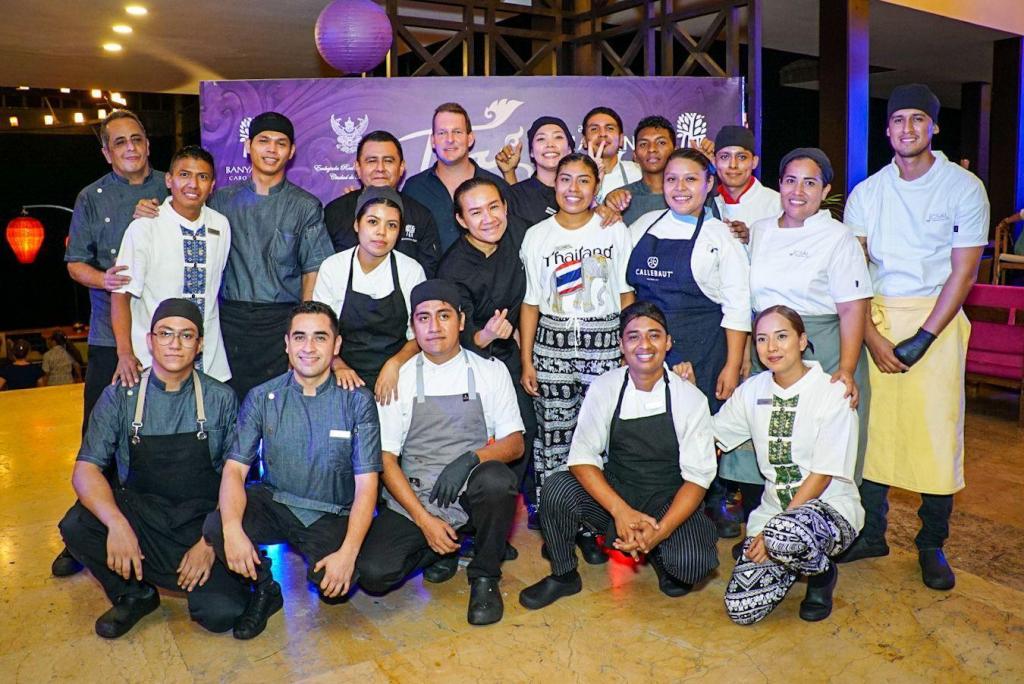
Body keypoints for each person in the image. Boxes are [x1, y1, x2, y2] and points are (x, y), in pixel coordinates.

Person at [839, 84, 988, 591]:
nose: (908, 128)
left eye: (918, 119)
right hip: (877, 318)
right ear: (887, 130)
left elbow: (964, 272)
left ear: (934, 127)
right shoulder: (868, 192)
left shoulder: (963, 187)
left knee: (935, 434)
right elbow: (854, 272)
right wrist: (872, 338)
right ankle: (871, 533)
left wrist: (924, 337)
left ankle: (931, 544)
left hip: (937, 321)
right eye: (899, 119)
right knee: (873, 432)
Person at [57, 299, 249, 638]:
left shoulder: (221, 399)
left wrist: (210, 542)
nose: (175, 343)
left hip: (200, 521)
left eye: (186, 335)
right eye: (165, 333)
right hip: (143, 517)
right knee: (77, 525)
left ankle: (190, 572)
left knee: (222, 614)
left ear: (199, 345)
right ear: (149, 340)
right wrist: (117, 525)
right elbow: (85, 470)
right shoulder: (120, 396)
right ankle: (134, 594)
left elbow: (238, 479)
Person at [519, 302, 719, 609]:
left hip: (668, 498)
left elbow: (698, 479)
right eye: (633, 336)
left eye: (654, 335)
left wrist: (659, 532)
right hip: (618, 493)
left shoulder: (690, 398)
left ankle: (658, 552)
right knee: (556, 488)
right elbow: (582, 458)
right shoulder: (606, 387)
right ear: (621, 345)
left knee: (692, 564)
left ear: (668, 342)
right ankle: (564, 575)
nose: (644, 345)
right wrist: (621, 511)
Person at [202, 301, 382, 639]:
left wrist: (348, 552)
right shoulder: (262, 397)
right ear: (286, 344)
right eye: (299, 337)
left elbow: (367, 484)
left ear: (336, 345)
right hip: (276, 501)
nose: (308, 347)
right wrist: (232, 529)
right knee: (217, 525)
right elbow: (235, 470)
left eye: (320, 337)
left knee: (333, 586)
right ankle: (265, 587)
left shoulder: (357, 400)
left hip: (330, 512)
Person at [135, 111, 334, 403]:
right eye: (263, 141)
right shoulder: (220, 201)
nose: (271, 149)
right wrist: (149, 208)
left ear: (291, 151)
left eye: (280, 143)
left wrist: (301, 330)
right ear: (248, 146)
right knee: (226, 404)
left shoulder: (306, 206)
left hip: (280, 322)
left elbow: (313, 270)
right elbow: (180, 212)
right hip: (229, 323)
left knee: (279, 406)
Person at [357, 280, 523, 626]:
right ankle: (441, 545)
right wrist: (425, 521)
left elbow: (515, 443)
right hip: (418, 495)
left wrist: (470, 460)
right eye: (423, 318)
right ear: (413, 327)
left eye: (444, 315)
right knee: (373, 573)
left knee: (497, 481)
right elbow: (386, 460)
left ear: (461, 321)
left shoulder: (490, 371)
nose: (434, 326)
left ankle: (485, 575)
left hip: (471, 493)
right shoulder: (398, 379)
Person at [743, 148, 872, 524]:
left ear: (825, 190)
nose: (798, 191)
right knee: (768, 437)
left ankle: (816, 529)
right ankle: (768, 526)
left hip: (822, 347)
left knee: (818, 445)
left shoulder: (838, 237)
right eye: (790, 181)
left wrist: (847, 367)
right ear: (779, 185)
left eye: (810, 183)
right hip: (767, 348)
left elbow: (852, 309)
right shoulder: (762, 230)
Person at [714, 306, 863, 624]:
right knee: (742, 608)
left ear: (802, 341)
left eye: (782, 336)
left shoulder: (832, 392)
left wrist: (774, 534)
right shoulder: (753, 390)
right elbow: (713, 437)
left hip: (830, 509)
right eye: (762, 339)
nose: (771, 347)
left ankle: (821, 575)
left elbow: (822, 475)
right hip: (773, 513)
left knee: (785, 536)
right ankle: (790, 560)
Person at [519, 153, 635, 561]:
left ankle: (592, 526)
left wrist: (626, 350)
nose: (573, 188)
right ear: (554, 184)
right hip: (551, 343)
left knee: (596, 437)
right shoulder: (537, 235)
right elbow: (531, 301)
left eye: (583, 180)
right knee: (553, 439)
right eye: (565, 179)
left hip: (604, 342)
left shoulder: (613, 230)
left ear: (596, 186)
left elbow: (625, 294)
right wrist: (527, 360)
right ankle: (558, 527)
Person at [436, 177, 539, 525]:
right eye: (476, 212)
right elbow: (457, 335)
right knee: (475, 438)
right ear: (461, 220)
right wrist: (486, 335)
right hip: (471, 360)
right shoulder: (453, 267)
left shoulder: (520, 234)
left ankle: (502, 514)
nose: (488, 218)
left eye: (494, 207)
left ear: (505, 207)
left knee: (524, 430)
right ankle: (468, 519)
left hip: (512, 354)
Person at [65, 109, 169, 426]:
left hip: (166, 333)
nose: (131, 148)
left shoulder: (172, 187)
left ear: (148, 145)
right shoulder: (91, 197)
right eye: (120, 142)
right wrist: (104, 279)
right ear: (107, 153)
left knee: (158, 426)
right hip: (109, 337)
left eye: (136, 139)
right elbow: (75, 265)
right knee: (101, 427)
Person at [111, 146, 231, 386]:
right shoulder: (144, 227)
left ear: (212, 185)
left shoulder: (220, 225)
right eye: (184, 175)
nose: (193, 184)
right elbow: (120, 295)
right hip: (151, 361)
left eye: (202, 177)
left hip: (208, 362)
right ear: (169, 180)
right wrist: (124, 353)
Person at [313, 186, 426, 400]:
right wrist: (338, 365)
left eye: (391, 225)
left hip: (398, 372)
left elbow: (419, 336)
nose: (381, 232)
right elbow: (319, 330)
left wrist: (394, 364)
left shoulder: (411, 271)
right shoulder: (333, 268)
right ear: (357, 224)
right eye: (373, 222)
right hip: (342, 371)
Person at [323, 130, 441, 276]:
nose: (380, 168)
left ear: (401, 167)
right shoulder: (334, 212)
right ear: (358, 167)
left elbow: (428, 274)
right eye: (371, 161)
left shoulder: (421, 215)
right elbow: (322, 268)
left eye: (388, 161)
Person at [403, 102, 510, 252]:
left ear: (470, 138)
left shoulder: (496, 186)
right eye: (442, 133)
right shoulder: (414, 188)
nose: (450, 139)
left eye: (457, 132)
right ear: (433, 141)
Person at [603, 115, 676, 225]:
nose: (652, 149)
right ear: (635, 155)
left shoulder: (688, 195)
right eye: (643, 144)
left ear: (675, 151)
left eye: (661, 142)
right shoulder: (619, 199)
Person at [502, 116, 575, 225]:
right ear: (531, 152)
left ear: (569, 149)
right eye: (541, 139)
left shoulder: (580, 192)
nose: (550, 144)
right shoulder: (513, 196)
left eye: (558, 137)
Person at [708, 125, 781, 225]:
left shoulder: (777, 205)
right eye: (724, 157)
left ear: (754, 162)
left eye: (742, 157)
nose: (733, 165)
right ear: (714, 162)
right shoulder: (706, 204)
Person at [581, 107, 641, 203]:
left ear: (621, 139)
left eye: (609, 128)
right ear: (584, 141)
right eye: (594, 129)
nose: (602, 134)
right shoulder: (573, 176)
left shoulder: (638, 172)